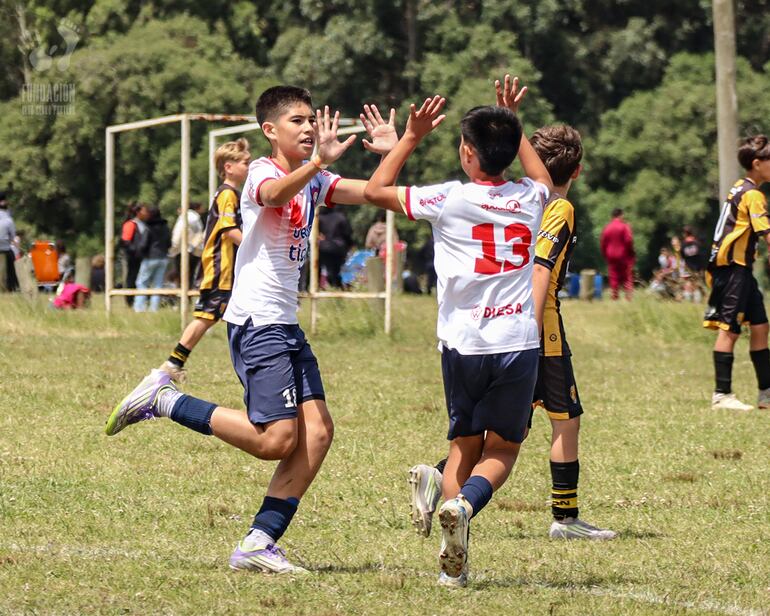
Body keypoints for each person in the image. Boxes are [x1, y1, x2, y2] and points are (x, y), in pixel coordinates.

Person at [106, 85, 397, 573]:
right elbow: (274, 194)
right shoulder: (262, 172)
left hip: (285, 323)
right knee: (275, 441)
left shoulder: (313, 177)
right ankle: (164, 400)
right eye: (297, 121)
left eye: (311, 120)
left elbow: (374, 193)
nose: (308, 128)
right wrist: (317, 164)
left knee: (319, 433)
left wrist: (398, 147)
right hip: (258, 322)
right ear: (270, 131)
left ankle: (258, 543)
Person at [363, 76, 553, 588]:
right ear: (512, 151)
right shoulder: (532, 197)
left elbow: (377, 190)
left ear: (467, 153)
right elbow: (548, 182)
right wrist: (516, 124)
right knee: (504, 449)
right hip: (516, 341)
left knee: (464, 443)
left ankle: (456, 561)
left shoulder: (446, 198)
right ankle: (465, 506)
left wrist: (409, 137)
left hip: (463, 345)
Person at [408, 123, 616, 552]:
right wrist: (530, 328)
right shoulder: (556, 207)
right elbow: (540, 270)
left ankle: (436, 480)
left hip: (508, 329)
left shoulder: (520, 198)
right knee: (564, 418)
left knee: (499, 431)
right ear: (577, 170)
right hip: (538, 330)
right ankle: (566, 516)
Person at [159, 139, 250, 381]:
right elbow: (229, 230)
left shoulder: (233, 194)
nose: (248, 167)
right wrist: (255, 248)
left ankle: (253, 363)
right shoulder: (227, 195)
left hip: (229, 269)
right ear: (229, 167)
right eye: (245, 162)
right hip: (221, 267)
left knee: (242, 314)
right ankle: (172, 363)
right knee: (207, 316)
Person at [703, 135, 770, 411]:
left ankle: (766, 393)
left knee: (760, 326)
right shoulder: (753, 194)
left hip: (740, 271)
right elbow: (766, 233)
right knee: (729, 330)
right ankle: (722, 395)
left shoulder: (741, 187)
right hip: (732, 270)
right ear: (757, 163)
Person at [134, 206, 171, 312]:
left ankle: (139, 308)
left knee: (142, 282)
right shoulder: (165, 227)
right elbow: (169, 242)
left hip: (150, 257)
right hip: (163, 257)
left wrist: (139, 252)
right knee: (158, 284)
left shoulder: (148, 227)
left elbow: (143, 244)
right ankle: (154, 308)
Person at [169, 201, 205, 290]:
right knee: (190, 275)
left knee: (180, 275)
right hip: (195, 251)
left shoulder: (185, 217)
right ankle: (187, 296)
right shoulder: (197, 219)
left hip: (182, 250)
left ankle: (181, 296)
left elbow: (178, 233)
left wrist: (173, 248)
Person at [600, 208, 635, 300]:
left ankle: (615, 296)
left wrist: (605, 254)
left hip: (611, 255)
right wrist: (631, 253)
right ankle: (628, 297)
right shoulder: (624, 226)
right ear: (621, 215)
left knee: (614, 276)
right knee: (627, 276)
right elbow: (629, 240)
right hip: (623, 254)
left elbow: (603, 243)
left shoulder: (607, 227)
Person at [119, 203, 149, 306]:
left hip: (141, 257)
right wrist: (136, 251)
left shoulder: (143, 224)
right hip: (133, 257)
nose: (147, 213)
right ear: (138, 212)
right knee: (132, 278)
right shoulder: (130, 224)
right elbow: (125, 241)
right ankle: (130, 301)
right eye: (145, 211)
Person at [317, 206, 353, 288]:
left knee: (327, 269)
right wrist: (350, 245)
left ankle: (319, 285)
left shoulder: (319, 218)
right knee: (335, 270)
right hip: (338, 248)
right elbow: (348, 234)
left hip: (323, 247)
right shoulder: (341, 217)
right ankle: (336, 286)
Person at [0, 191, 19, 292]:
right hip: (4, 249)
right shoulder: (8, 219)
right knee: (10, 268)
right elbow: (13, 237)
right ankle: (10, 287)